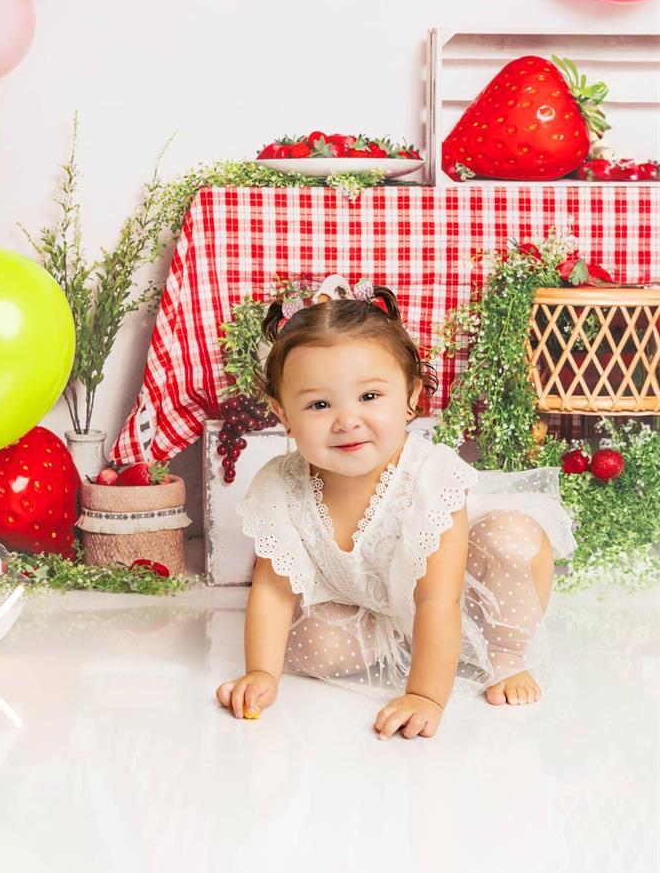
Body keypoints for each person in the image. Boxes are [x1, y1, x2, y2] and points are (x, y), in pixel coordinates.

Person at [215, 273, 577, 740]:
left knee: (514, 540)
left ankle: (505, 655)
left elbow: (437, 599)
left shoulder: (431, 479)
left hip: (459, 591)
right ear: (283, 414)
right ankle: (399, 640)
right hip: (379, 600)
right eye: (319, 404)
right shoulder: (279, 486)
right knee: (310, 648)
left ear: (410, 397)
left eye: (369, 396)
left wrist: (425, 695)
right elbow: (272, 591)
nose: (347, 420)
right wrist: (261, 673)